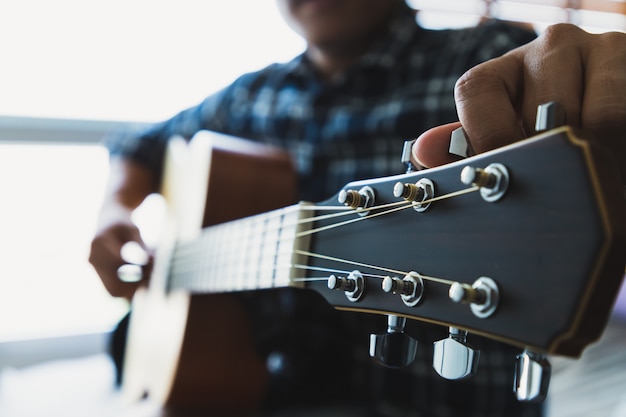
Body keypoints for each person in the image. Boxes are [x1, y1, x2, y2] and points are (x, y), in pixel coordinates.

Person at [89, 0, 626, 416]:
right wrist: (115, 211)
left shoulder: (484, 60)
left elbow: (574, 111)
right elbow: (138, 144)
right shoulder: (251, 97)